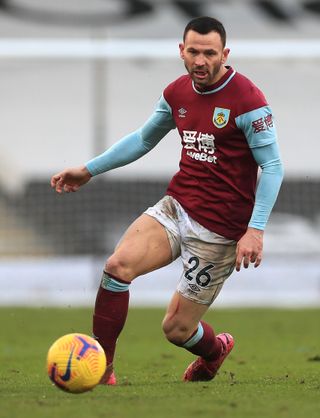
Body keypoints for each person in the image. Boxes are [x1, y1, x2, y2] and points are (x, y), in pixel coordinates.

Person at [51, 16, 284, 384]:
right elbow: (143, 139)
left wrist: (254, 230)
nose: (201, 61)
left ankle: (214, 350)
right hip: (178, 206)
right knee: (117, 266)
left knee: (176, 329)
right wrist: (89, 169)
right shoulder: (177, 92)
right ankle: (102, 367)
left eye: (210, 53)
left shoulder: (248, 100)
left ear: (225, 54)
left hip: (221, 230)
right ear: (181, 51)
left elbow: (272, 166)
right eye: (193, 51)